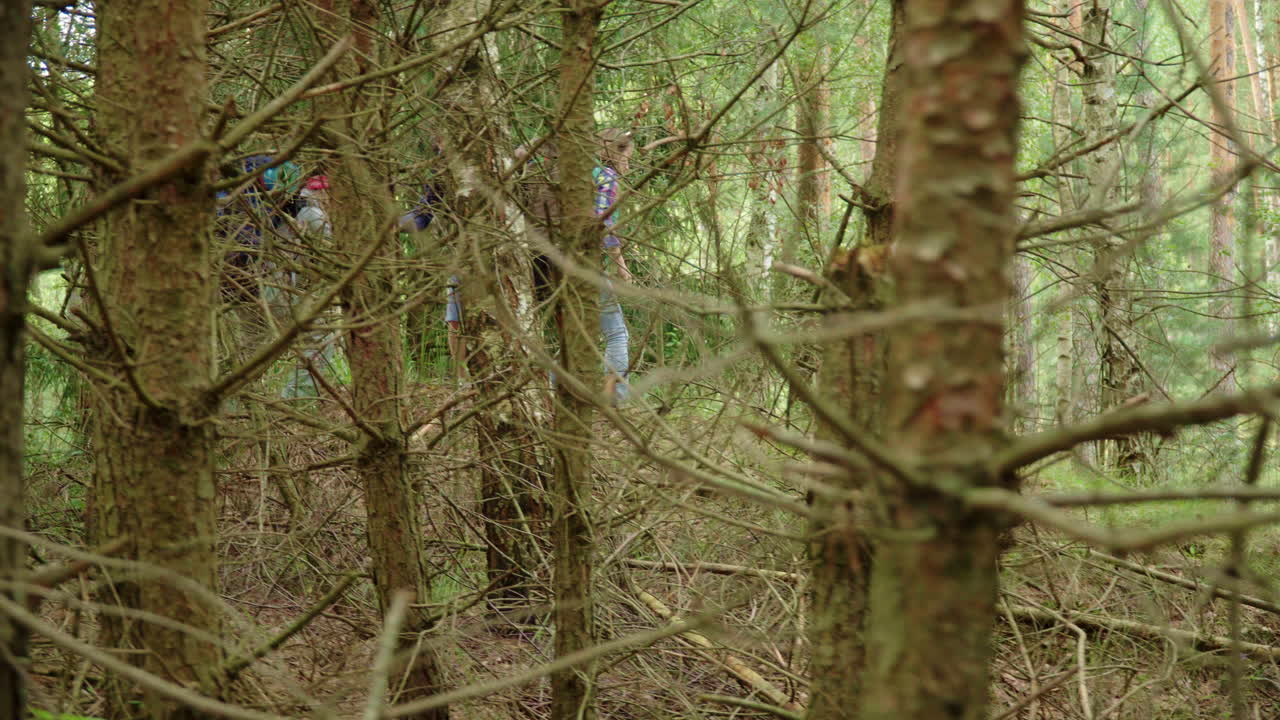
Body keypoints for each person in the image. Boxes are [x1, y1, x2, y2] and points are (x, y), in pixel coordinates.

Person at [593, 129, 636, 402]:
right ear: (614, 153)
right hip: (586, 264)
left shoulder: (587, 174)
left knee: (577, 333)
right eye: (627, 158)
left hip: (558, 259)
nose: (629, 165)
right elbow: (603, 223)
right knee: (617, 334)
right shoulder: (607, 178)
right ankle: (618, 398)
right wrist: (621, 266)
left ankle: (553, 389)